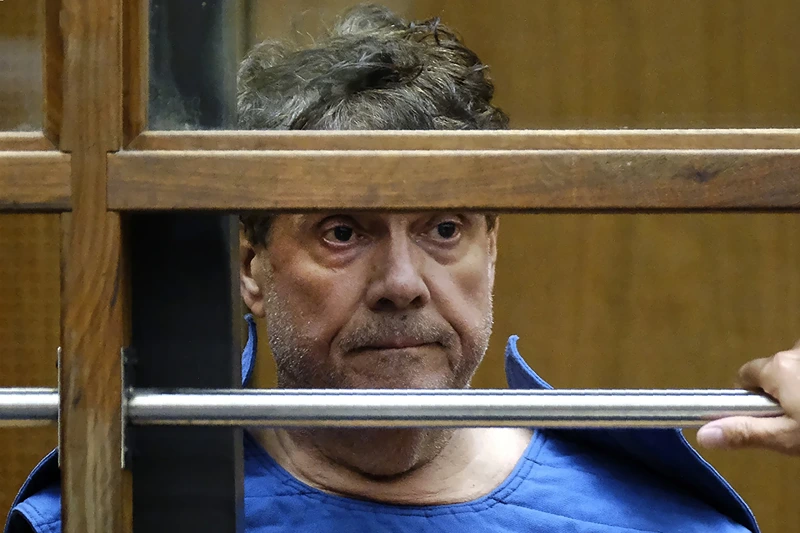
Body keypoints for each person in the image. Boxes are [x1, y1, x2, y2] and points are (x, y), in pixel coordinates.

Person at [6, 4, 800, 532]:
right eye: (344, 231)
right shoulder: (110, 511)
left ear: (494, 246)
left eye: (444, 228)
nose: (402, 282)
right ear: (249, 265)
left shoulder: (660, 521)